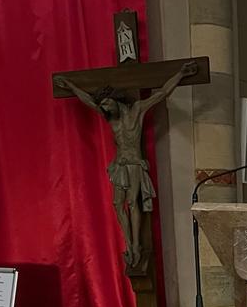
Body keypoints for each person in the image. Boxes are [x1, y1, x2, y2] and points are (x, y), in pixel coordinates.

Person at [55, 61, 196, 269]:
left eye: (107, 104)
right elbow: (88, 101)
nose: (104, 108)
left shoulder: (137, 110)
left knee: (132, 202)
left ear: (116, 100)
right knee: (117, 204)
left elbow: (162, 93)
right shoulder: (110, 119)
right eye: (103, 106)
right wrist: (71, 85)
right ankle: (128, 243)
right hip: (119, 166)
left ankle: (137, 246)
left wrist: (181, 74)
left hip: (134, 165)